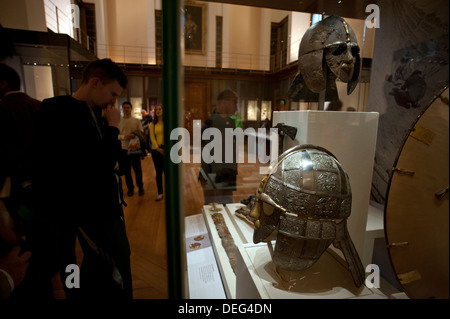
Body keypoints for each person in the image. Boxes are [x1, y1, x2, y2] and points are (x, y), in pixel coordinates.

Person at [31, 58, 132, 299]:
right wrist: (114, 130)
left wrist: (110, 156)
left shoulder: (98, 113)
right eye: (112, 93)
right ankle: (75, 293)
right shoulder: (58, 112)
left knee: (105, 261)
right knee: (72, 260)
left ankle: (84, 291)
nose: (113, 101)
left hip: (103, 207)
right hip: (77, 209)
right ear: (95, 82)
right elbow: (99, 163)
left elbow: (112, 161)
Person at [199, 89, 239, 204]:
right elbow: (205, 155)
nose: (236, 108)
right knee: (212, 208)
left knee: (227, 205)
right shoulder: (210, 124)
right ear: (224, 103)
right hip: (214, 173)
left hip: (226, 173)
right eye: (234, 103)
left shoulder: (230, 123)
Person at [118, 101, 144, 196]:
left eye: (128, 107)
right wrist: (125, 137)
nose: (126, 109)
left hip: (134, 147)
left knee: (137, 169)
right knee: (127, 170)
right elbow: (117, 135)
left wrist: (134, 135)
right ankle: (130, 188)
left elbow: (141, 132)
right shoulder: (119, 121)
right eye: (124, 107)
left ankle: (140, 187)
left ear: (131, 109)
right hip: (124, 148)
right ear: (122, 109)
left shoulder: (136, 120)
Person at [149, 105, 164, 201]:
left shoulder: (167, 123)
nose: (158, 111)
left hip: (166, 149)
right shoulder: (152, 124)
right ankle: (160, 193)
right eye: (156, 110)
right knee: (158, 173)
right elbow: (152, 138)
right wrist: (158, 148)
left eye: (160, 109)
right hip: (156, 151)